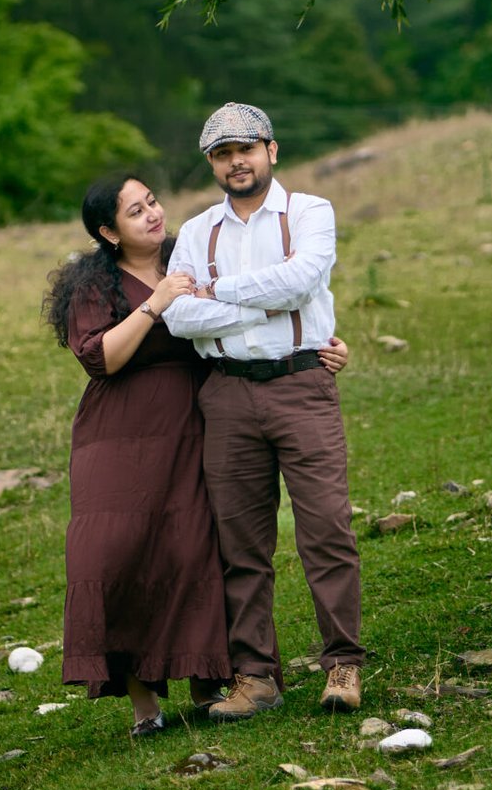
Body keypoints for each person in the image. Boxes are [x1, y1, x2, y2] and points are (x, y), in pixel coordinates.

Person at [163, 102, 365, 717]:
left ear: (271, 150)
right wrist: (267, 303)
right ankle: (256, 678)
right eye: (223, 154)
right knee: (240, 543)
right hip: (226, 393)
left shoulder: (309, 212)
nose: (236, 162)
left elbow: (301, 281)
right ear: (211, 164)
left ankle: (343, 665)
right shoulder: (196, 231)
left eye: (246, 149)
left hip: (301, 382)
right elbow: (179, 316)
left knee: (326, 528)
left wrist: (218, 291)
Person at [44, 172, 229, 735]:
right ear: (109, 232)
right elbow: (100, 358)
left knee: (191, 547)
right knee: (111, 556)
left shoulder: (190, 256)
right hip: (117, 433)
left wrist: (317, 342)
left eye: (152, 201)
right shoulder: (94, 286)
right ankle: (142, 701)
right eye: (135, 211)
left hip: (190, 423)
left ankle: (206, 680)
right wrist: (156, 303)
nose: (153, 214)